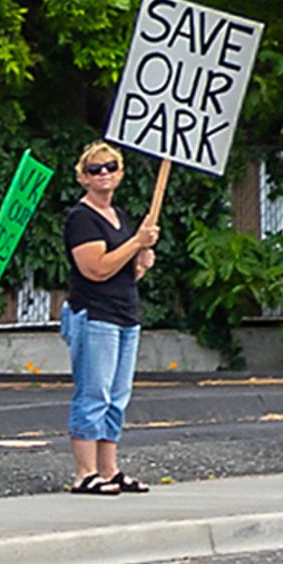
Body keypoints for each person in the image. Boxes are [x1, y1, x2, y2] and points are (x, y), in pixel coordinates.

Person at [60, 143, 164, 493]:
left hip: (124, 312)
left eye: (109, 167)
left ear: (120, 172)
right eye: (94, 169)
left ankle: (108, 469)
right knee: (94, 393)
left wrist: (142, 262)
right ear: (82, 177)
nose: (103, 173)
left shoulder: (119, 216)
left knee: (118, 396)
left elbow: (123, 272)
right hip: (95, 314)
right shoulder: (81, 218)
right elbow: (96, 269)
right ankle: (84, 472)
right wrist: (136, 243)